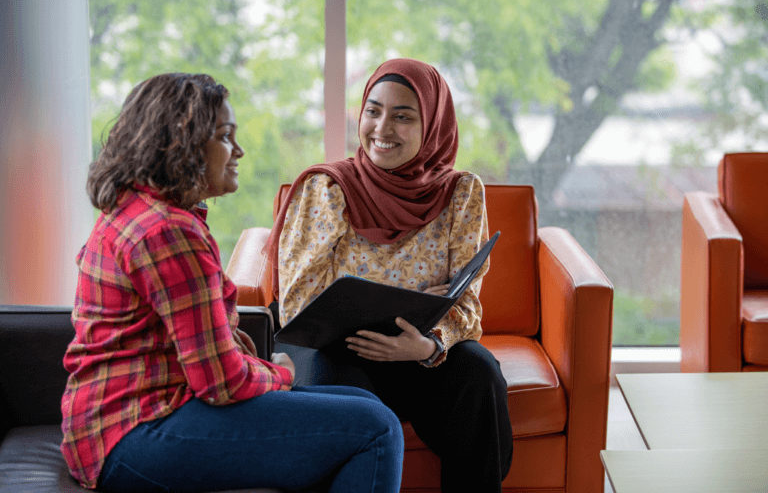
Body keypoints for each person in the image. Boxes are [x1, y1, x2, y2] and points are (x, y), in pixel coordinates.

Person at [61, 73, 403, 493]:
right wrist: (279, 375)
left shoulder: (141, 208)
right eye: (225, 136)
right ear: (181, 145)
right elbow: (220, 381)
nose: (238, 150)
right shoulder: (167, 232)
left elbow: (211, 358)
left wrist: (268, 372)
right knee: (376, 428)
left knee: (365, 405)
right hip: (132, 435)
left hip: (133, 417)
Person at [265, 58, 513, 493]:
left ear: (433, 125)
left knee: (478, 370)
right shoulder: (327, 189)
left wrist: (427, 345)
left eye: (403, 116)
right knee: (345, 404)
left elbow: (466, 301)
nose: (382, 128)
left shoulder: (462, 194)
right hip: (335, 348)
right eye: (373, 111)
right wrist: (416, 295)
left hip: (416, 349)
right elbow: (299, 301)